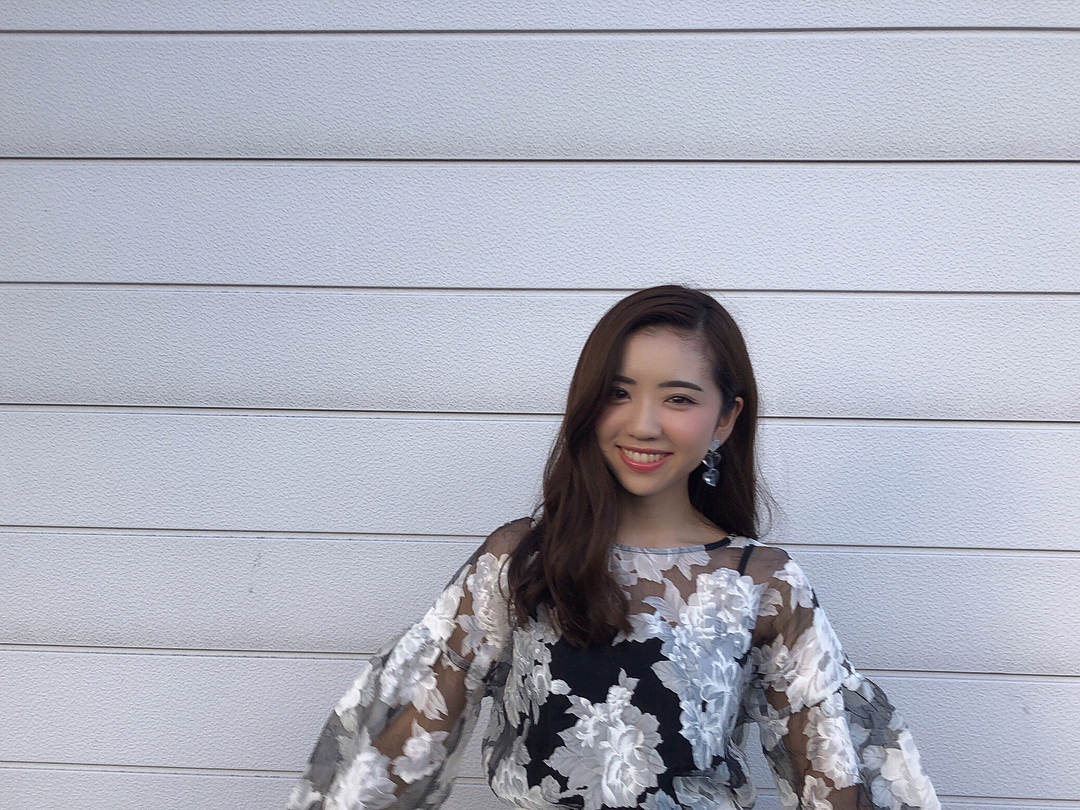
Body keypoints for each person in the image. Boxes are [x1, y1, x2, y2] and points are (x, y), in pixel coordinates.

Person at [286, 285, 940, 810]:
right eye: (618, 393)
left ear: (726, 419)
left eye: (678, 398)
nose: (643, 424)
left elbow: (834, 776)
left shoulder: (763, 584)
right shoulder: (521, 562)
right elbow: (400, 747)